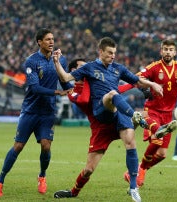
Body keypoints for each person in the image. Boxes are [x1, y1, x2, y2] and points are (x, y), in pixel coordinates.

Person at [52, 37, 164, 202]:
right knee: (89, 169)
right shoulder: (89, 68)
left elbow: (136, 80)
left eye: (114, 53)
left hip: (118, 115)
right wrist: (56, 62)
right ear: (101, 51)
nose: (113, 56)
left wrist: (152, 85)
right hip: (101, 114)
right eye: (110, 53)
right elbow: (66, 77)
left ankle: (133, 187)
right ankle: (74, 192)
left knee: (130, 143)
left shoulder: (118, 68)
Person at [0, 28, 71, 197]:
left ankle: (42, 176)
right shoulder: (32, 61)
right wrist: (56, 92)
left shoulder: (60, 60)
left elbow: (65, 83)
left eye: (52, 39)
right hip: (30, 110)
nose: (51, 42)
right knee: (18, 146)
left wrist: (77, 92)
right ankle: (0, 181)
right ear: (39, 42)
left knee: (46, 145)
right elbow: (34, 88)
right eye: (47, 39)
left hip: (48, 112)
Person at [123, 39, 177, 188]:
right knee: (157, 138)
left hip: (168, 115)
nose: (168, 52)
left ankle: (137, 170)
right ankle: (138, 171)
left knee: (162, 154)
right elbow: (135, 78)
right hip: (152, 111)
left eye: (170, 49)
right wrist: (144, 89)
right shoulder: (154, 67)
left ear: (175, 52)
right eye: (165, 49)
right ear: (161, 51)